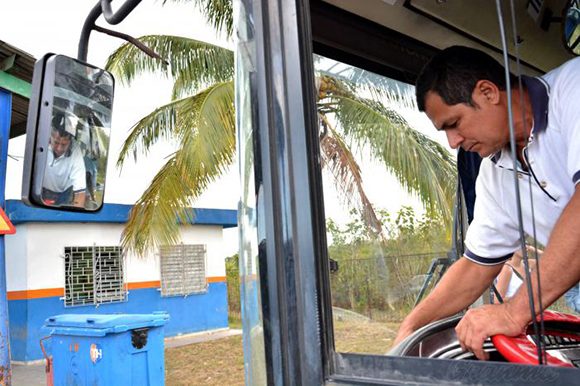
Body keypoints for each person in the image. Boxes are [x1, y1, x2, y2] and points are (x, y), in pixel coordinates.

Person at [393, 46, 580, 361]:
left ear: (488, 92)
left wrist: (512, 312)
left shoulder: (573, 88)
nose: (453, 142)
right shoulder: (495, 170)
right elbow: (475, 265)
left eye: (454, 123)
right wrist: (412, 326)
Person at [42, 113, 86, 207]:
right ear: (50, 137)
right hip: (41, 188)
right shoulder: (40, 141)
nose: (59, 149)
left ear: (70, 142)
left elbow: (80, 193)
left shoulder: (75, 151)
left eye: (64, 144)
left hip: (64, 192)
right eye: (56, 142)